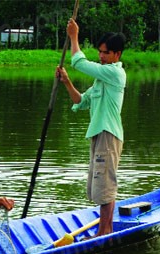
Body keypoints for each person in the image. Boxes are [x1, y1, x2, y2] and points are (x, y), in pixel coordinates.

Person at [56, 19, 126, 237]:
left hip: (109, 134)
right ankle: (106, 229)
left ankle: (104, 232)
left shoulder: (114, 73)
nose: (101, 56)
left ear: (116, 54)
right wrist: (67, 82)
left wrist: (74, 37)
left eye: (105, 53)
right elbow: (80, 101)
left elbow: (79, 62)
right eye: (100, 52)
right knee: (100, 184)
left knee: (105, 186)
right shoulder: (101, 81)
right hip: (99, 135)